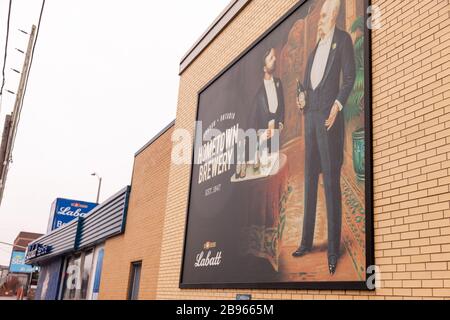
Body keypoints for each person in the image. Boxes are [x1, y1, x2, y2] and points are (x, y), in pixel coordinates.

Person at [292, 0, 356, 275]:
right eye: (321, 14)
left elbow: (350, 77)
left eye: (326, 15)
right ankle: (306, 241)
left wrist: (337, 106)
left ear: (335, 17)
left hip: (330, 120)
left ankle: (332, 249)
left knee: (330, 182)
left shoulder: (342, 41)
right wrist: (301, 97)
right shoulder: (314, 49)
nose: (321, 18)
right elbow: (305, 86)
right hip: (311, 120)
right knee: (309, 180)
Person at [253, 47, 285, 156]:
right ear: (264, 68)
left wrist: (281, 123)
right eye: (271, 58)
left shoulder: (278, 83)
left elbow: (282, 106)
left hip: (278, 137)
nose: (275, 59)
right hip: (264, 142)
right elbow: (253, 120)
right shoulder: (258, 93)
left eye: (274, 56)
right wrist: (261, 135)